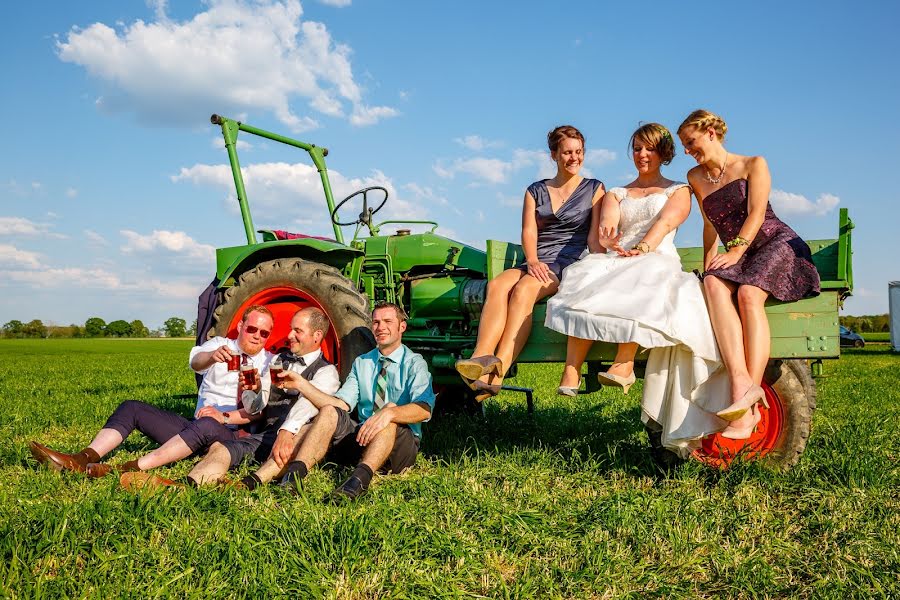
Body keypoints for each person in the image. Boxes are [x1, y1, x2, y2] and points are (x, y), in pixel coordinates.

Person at [545, 122, 730, 455]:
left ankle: (625, 362)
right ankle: (571, 369)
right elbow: (608, 224)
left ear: (663, 153)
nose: (642, 154)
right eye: (637, 148)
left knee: (644, 276)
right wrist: (608, 235)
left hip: (654, 255)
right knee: (586, 278)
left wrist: (643, 249)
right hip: (620, 254)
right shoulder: (617, 191)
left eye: (650, 148)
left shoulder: (678, 190)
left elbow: (665, 223)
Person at [677, 109, 820, 439]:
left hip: (776, 243)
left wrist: (737, 251)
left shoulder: (754, 164)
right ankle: (741, 380)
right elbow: (710, 224)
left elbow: (757, 213)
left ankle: (748, 396)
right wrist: (708, 261)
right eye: (685, 145)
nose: (687, 149)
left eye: (691, 141)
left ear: (711, 132)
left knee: (747, 294)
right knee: (713, 282)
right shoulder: (695, 177)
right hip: (737, 253)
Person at [29, 305, 275, 476]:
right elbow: (195, 363)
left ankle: (125, 469)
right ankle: (82, 458)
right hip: (194, 427)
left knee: (208, 425)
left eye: (264, 333)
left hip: (227, 435)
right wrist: (212, 357)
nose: (257, 336)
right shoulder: (221, 345)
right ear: (241, 325)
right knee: (131, 407)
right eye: (252, 329)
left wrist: (222, 416)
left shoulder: (267, 362)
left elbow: (258, 413)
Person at [454, 125, 605, 399]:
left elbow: (594, 240)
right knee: (498, 284)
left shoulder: (594, 189)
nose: (574, 158)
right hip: (536, 258)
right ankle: (480, 358)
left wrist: (607, 260)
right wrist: (532, 259)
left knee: (524, 289)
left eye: (579, 152)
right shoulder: (535, 190)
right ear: (554, 155)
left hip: (566, 262)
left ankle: (498, 372)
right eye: (567, 152)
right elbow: (529, 231)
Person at [121, 307, 340, 490]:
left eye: (297, 331)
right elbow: (257, 405)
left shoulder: (326, 371)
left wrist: (286, 432)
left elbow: (308, 405)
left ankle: (185, 486)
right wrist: (252, 390)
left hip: (296, 437)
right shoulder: (280, 360)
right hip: (265, 435)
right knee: (221, 449)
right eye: (291, 329)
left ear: (317, 336)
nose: (289, 335)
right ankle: (182, 486)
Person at [276, 301, 435, 503]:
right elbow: (340, 404)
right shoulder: (362, 362)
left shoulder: (414, 363)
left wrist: (389, 414)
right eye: (376, 322)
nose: (381, 327)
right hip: (362, 437)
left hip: (399, 446)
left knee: (388, 419)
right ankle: (293, 477)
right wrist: (301, 384)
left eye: (387, 321)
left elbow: (424, 409)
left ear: (401, 327)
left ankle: (357, 482)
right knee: (329, 411)